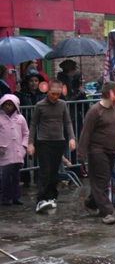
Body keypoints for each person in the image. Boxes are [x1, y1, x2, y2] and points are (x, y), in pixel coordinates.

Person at [77, 81, 115, 225]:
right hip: (97, 151)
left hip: (111, 150)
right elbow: (85, 133)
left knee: (100, 182)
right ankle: (107, 212)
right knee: (103, 180)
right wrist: (81, 154)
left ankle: (92, 203)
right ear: (109, 94)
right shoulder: (95, 111)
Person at [27, 79, 76, 213]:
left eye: (58, 94)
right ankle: (41, 198)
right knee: (44, 172)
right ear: (47, 91)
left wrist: (72, 137)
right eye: (53, 94)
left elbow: (67, 122)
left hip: (58, 141)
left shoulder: (62, 105)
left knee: (54, 172)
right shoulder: (40, 105)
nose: (55, 97)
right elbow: (33, 124)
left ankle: (52, 196)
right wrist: (30, 142)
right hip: (43, 141)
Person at [0, 94, 29, 206]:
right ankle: (6, 197)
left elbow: (25, 133)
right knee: (6, 176)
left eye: (10, 105)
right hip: (4, 151)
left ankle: (16, 197)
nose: (7, 107)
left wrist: (24, 146)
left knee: (16, 176)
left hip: (17, 151)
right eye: (5, 105)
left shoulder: (20, 118)